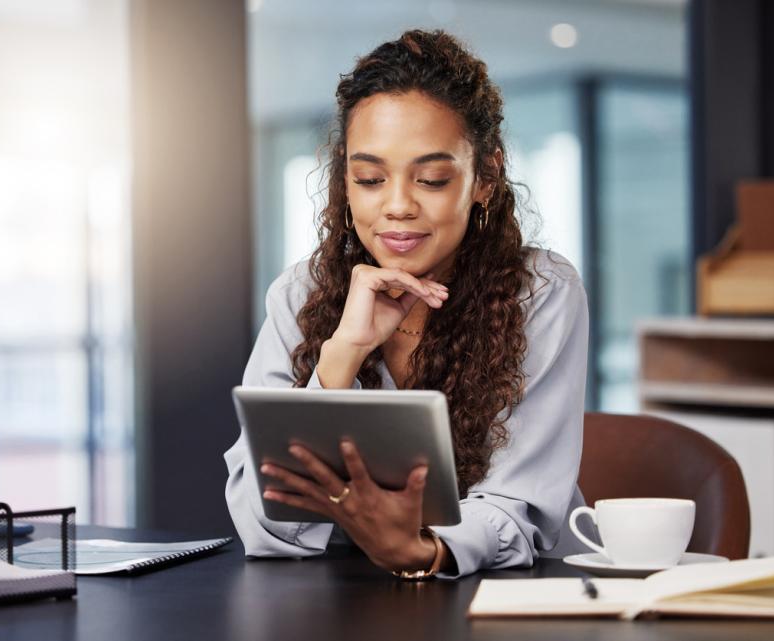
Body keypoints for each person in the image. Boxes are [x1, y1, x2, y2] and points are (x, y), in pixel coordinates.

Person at [224, 29, 589, 579]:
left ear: (484, 177)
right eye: (370, 178)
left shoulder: (540, 291)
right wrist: (340, 357)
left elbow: (520, 508)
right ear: (345, 182)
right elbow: (264, 526)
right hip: (350, 605)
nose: (397, 206)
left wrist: (423, 552)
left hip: (513, 598)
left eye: (432, 179)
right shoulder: (300, 294)